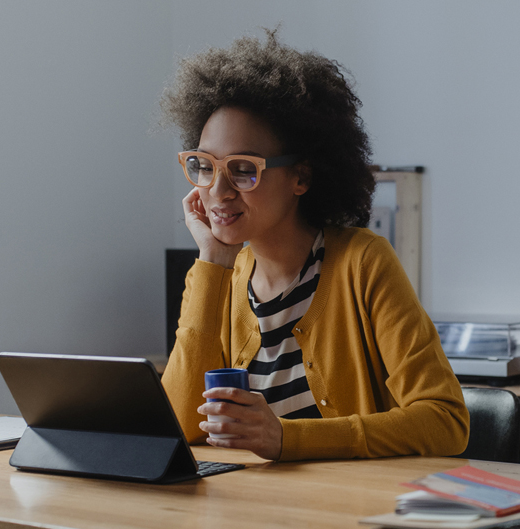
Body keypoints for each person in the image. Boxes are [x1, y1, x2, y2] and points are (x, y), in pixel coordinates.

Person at [159, 30, 468, 462]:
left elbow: (445, 421)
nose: (218, 191)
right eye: (204, 166)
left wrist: (288, 438)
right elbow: (176, 426)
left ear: (300, 178)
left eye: (243, 169)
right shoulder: (218, 276)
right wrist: (213, 260)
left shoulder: (363, 263)